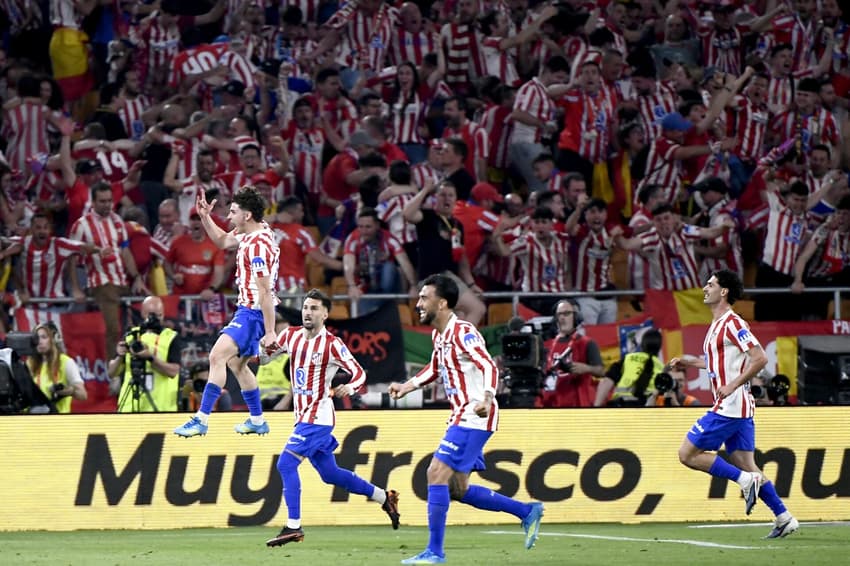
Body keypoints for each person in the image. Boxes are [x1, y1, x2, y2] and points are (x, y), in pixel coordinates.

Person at [389, 274, 544, 564]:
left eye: (424, 298)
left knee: (435, 473)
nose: (418, 303)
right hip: (461, 415)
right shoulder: (439, 335)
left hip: (474, 414)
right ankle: (526, 511)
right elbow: (435, 367)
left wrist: (486, 397)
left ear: (442, 303)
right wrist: (407, 386)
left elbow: (488, 365)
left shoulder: (463, 331)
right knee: (457, 489)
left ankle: (434, 552)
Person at [264, 289, 400, 547]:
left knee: (285, 464)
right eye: (306, 307)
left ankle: (293, 526)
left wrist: (350, 387)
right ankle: (385, 497)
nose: (308, 312)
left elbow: (359, 373)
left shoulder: (331, 344)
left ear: (325, 314)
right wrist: (258, 349)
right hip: (303, 416)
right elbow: (265, 356)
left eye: (314, 308)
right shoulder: (290, 335)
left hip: (318, 418)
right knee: (330, 474)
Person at [670, 269, 798, 539]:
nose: (705, 288)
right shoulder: (717, 324)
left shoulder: (733, 323)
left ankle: (744, 481)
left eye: (711, 284)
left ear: (724, 291)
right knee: (747, 464)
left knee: (687, 454)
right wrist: (689, 362)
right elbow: (717, 362)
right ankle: (784, 517)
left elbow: (760, 358)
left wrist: (733, 384)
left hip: (730, 406)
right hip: (740, 408)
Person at [174, 186, 279, 437]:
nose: (228, 216)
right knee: (236, 364)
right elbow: (222, 241)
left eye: (233, 212)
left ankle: (201, 419)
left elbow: (265, 292)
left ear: (247, 216)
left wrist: (270, 332)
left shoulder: (257, 247)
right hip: (247, 310)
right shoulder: (254, 230)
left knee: (216, 356)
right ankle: (257, 420)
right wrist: (205, 217)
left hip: (253, 313)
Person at [108, 296, 181, 412]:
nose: (154, 319)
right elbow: (111, 372)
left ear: (163, 314)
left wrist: (150, 358)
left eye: (158, 315)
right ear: (142, 313)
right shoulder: (131, 335)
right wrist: (120, 356)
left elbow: (173, 372)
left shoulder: (170, 337)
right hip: (129, 407)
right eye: (150, 315)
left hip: (160, 409)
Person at [594, 328, 664, 407]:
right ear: (659, 348)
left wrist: (596, 407)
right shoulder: (661, 368)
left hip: (621, 407)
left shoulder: (628, 359)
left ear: (642, 345)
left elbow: (606, 382)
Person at [27, 322, 87, 413]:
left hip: (58, 418)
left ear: (54, 339)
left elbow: (83, 395)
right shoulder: (29, 363)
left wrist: (69, 391)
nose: (39, 341)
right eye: (37, 338)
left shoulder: (66, 362)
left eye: (44, 337)